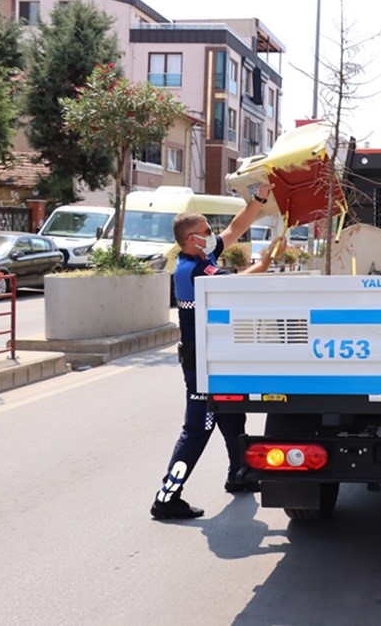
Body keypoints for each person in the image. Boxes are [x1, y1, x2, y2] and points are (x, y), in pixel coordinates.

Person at [151, 184, 282, 520]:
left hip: (217, 361)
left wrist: (259, 199)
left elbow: (235, 228)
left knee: (232, 417)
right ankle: (166, 498)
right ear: (189, 239)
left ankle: (238, 475)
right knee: (198, 429)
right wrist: (263, 265)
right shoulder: (191, 270)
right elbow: (235, 284)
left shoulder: (203, 255)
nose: (212, 236)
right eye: (205, 232)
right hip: (201, 367)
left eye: (209, 231)